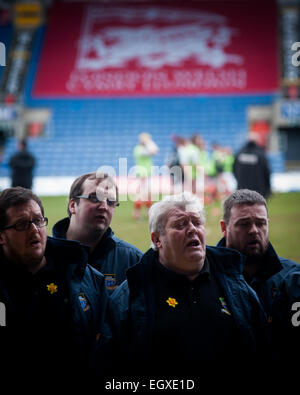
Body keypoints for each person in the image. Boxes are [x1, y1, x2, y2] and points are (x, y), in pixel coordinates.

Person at [97, 192, 268, 380]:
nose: (192, 229)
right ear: (157, 240)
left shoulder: (236, 285)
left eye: (197, 222)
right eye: (180, 224)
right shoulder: (130, 296)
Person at [0, 187, 108, 379]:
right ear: (1, 236)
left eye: (38, 220)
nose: (34, 230)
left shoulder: (84, 274)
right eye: (21, 224)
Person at [218, 189, 300, 362]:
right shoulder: (205, 276)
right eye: (244, 224)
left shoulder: (293, 277)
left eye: (261, 223)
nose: (254, 230)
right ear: (224, 228)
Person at [52, 172, 142, 293]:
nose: (104, 206)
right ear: (73, 205)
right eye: (94, 198)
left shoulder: (134, 261)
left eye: (110, 201)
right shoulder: (44, 257)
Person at [233, 132, 271, 198]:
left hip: (242, 189)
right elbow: (266, 172)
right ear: (257, 141)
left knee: (243, 207)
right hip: (258, 190)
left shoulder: (239, 153)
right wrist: (267, 190)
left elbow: (234, 170)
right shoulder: (260, 154)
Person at [133, 132, 159, 219]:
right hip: (142, 174)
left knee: (148, 195)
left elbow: (154, 150)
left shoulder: (142, 148)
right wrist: (149, 143)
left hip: (147, 174)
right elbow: (153, 151)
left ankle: (147, 213)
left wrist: (148, 142)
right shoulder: (138, 149)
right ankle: (137, 214)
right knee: (141, 195)